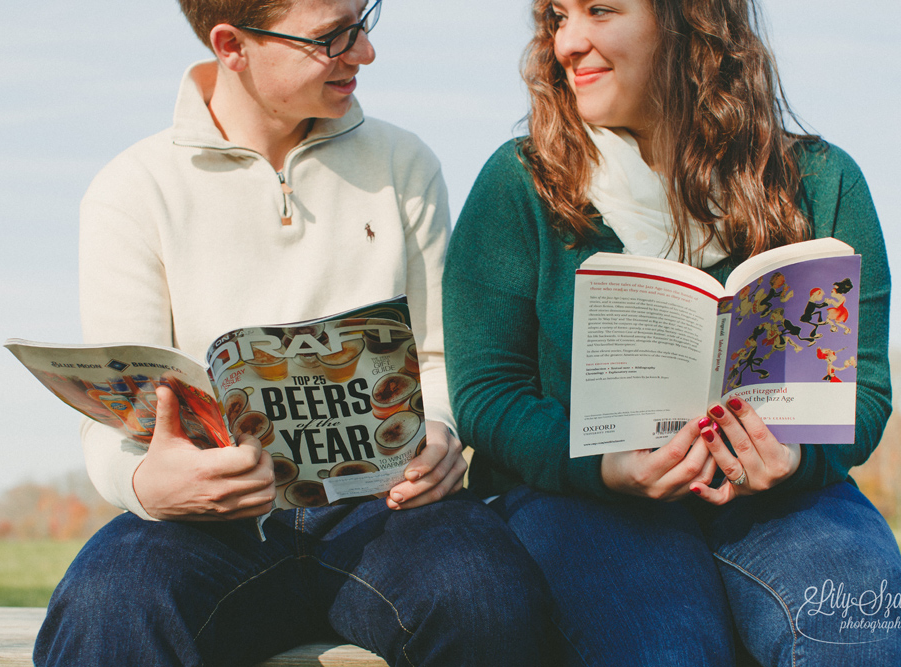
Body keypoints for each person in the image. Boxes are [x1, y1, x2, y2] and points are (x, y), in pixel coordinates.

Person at [33, 1, 549, 665]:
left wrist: (442, 430)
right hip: (207, 522)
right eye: (331, 38)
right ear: (232, 46)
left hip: (388, 506)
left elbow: (439, 354)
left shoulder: (404, 163)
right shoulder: (131, 190)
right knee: (108, 601)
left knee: (486, 594)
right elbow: (112, 413)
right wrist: (148, 485)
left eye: (363, 21)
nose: (363, 52)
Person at [442, 0, 901, 665]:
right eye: (556, 16)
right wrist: (602, 466)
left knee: (850, 622)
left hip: (783, 493)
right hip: (579, 497)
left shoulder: (823, 182)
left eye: (599, 10)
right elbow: (486, 394)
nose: (568, 42)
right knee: (667, 647)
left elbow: (863, 390)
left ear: (690, 20)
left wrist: (795, 457)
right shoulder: (523, 182)